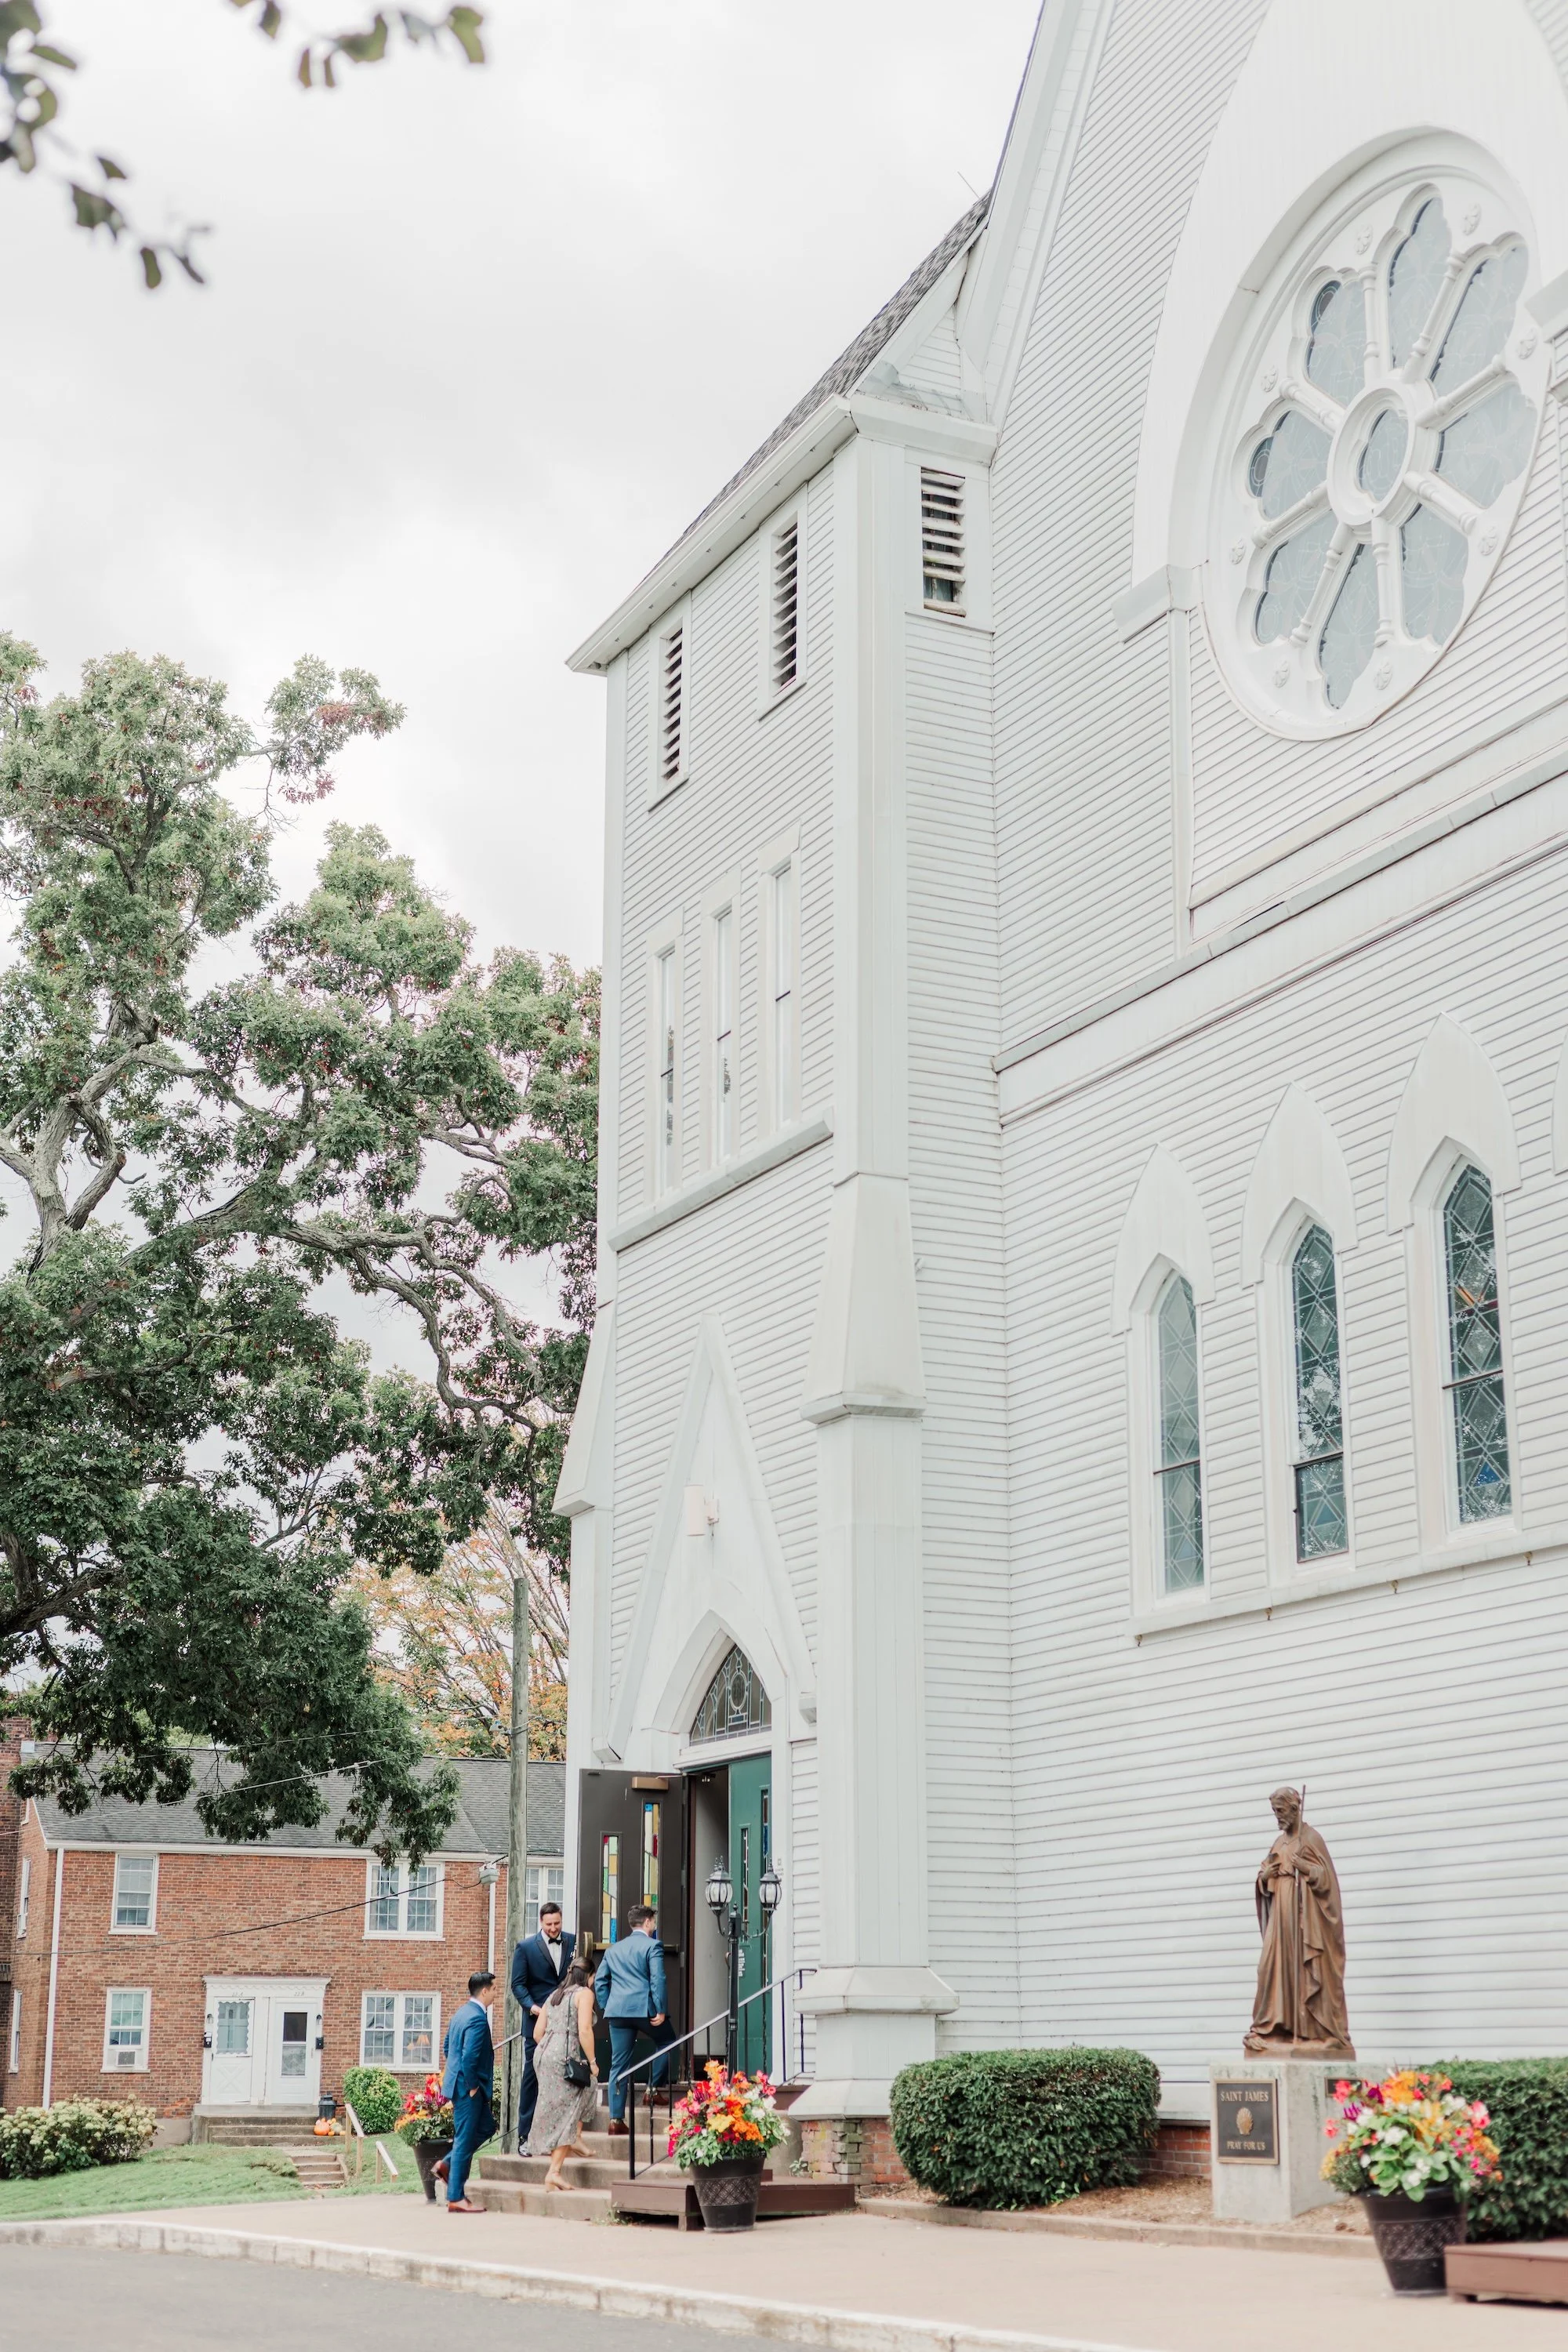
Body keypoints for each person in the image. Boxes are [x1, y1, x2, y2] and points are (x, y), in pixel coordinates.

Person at [1243, 1786, 1355, 2058]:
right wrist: (1265, 1877)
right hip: (1280, 1921)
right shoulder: (1278, 1843)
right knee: (1268, 1970)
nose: (1277, 1817)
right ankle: (1271, 2028)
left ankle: (1312, 2031)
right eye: (1274, 1812)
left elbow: (1327, 1882)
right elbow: (1265, 1878)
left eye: (1280, 1811)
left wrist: (1305, 1868)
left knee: (1304, 1973)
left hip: (1305, 1924)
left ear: (1295, 1809)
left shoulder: (1312, 1839)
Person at [593, 1902, 675, 2136]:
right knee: (669, 2042)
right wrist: (660, 2009)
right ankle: (651, 2089)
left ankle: (615, 2120)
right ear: (648, 1922)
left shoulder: (613, 1949)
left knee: (618, 2065)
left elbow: (600, 1981)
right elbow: (657, 1978)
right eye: (654, 1922)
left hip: (617, 2012)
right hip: (644, 2010)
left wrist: (608, 2005)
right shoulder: (653, 1946)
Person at [531, 1955, 601, 2191]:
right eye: (594, 1977)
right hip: (563, 2056)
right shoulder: (584, 1994)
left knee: (581, 2094)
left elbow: (537, 2033)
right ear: (589, 1976)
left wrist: (551, 2049)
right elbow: (584, 2029)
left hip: (544, 2054)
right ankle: (554, 2172)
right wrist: (592, 2061)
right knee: (569, 2109)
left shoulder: (555, 1994)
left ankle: (576, 2138)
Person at [510, 1899, 575, 2151]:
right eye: (549, 1924)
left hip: (565, 2023)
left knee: (565, 2078)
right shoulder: (526, 1947)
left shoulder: (572, 1941)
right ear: (541, 1922)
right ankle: (525, 2136)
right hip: (537, 2024)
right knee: (532, 2078)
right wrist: (532, 2007)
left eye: (557, 1923)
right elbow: (518, 1985)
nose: (553, 1929)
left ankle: (560, 2136)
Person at [441, 1968, 497, 2212]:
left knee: (487, 2127)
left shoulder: (461, 2013)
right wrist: (473, 2085)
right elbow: (469, 2057)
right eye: (494, 1989)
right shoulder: (476, 2018)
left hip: (458, 2084)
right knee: (464, 2140)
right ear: (484, 1991)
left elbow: (447, 2048)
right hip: (468, 2089)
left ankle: (446, 2164)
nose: (496, 1993)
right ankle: (456, 2197)